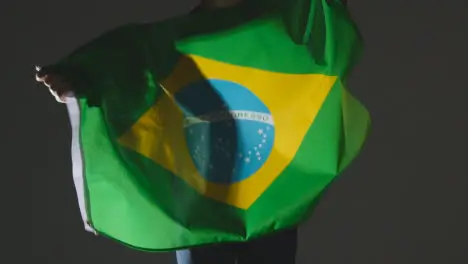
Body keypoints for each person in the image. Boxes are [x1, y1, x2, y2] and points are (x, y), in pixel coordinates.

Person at [37, 0, 349, 263]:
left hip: (265, 201)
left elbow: (322, 33)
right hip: (199, 203)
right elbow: (124, 74)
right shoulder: (173, 42)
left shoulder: (278, 28)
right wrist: (77, 79)